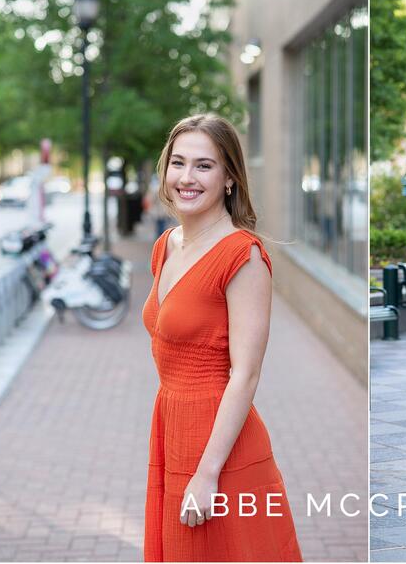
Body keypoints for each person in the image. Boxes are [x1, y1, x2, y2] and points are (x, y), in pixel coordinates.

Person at [141, 114, 302, 561]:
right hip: (171, 423)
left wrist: (207, 474)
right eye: (178, 163)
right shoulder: (167, 244)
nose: (186, 178)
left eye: (204, 166)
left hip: (218, 441)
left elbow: (246, 374)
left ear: (229, 178)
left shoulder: (242, 256)